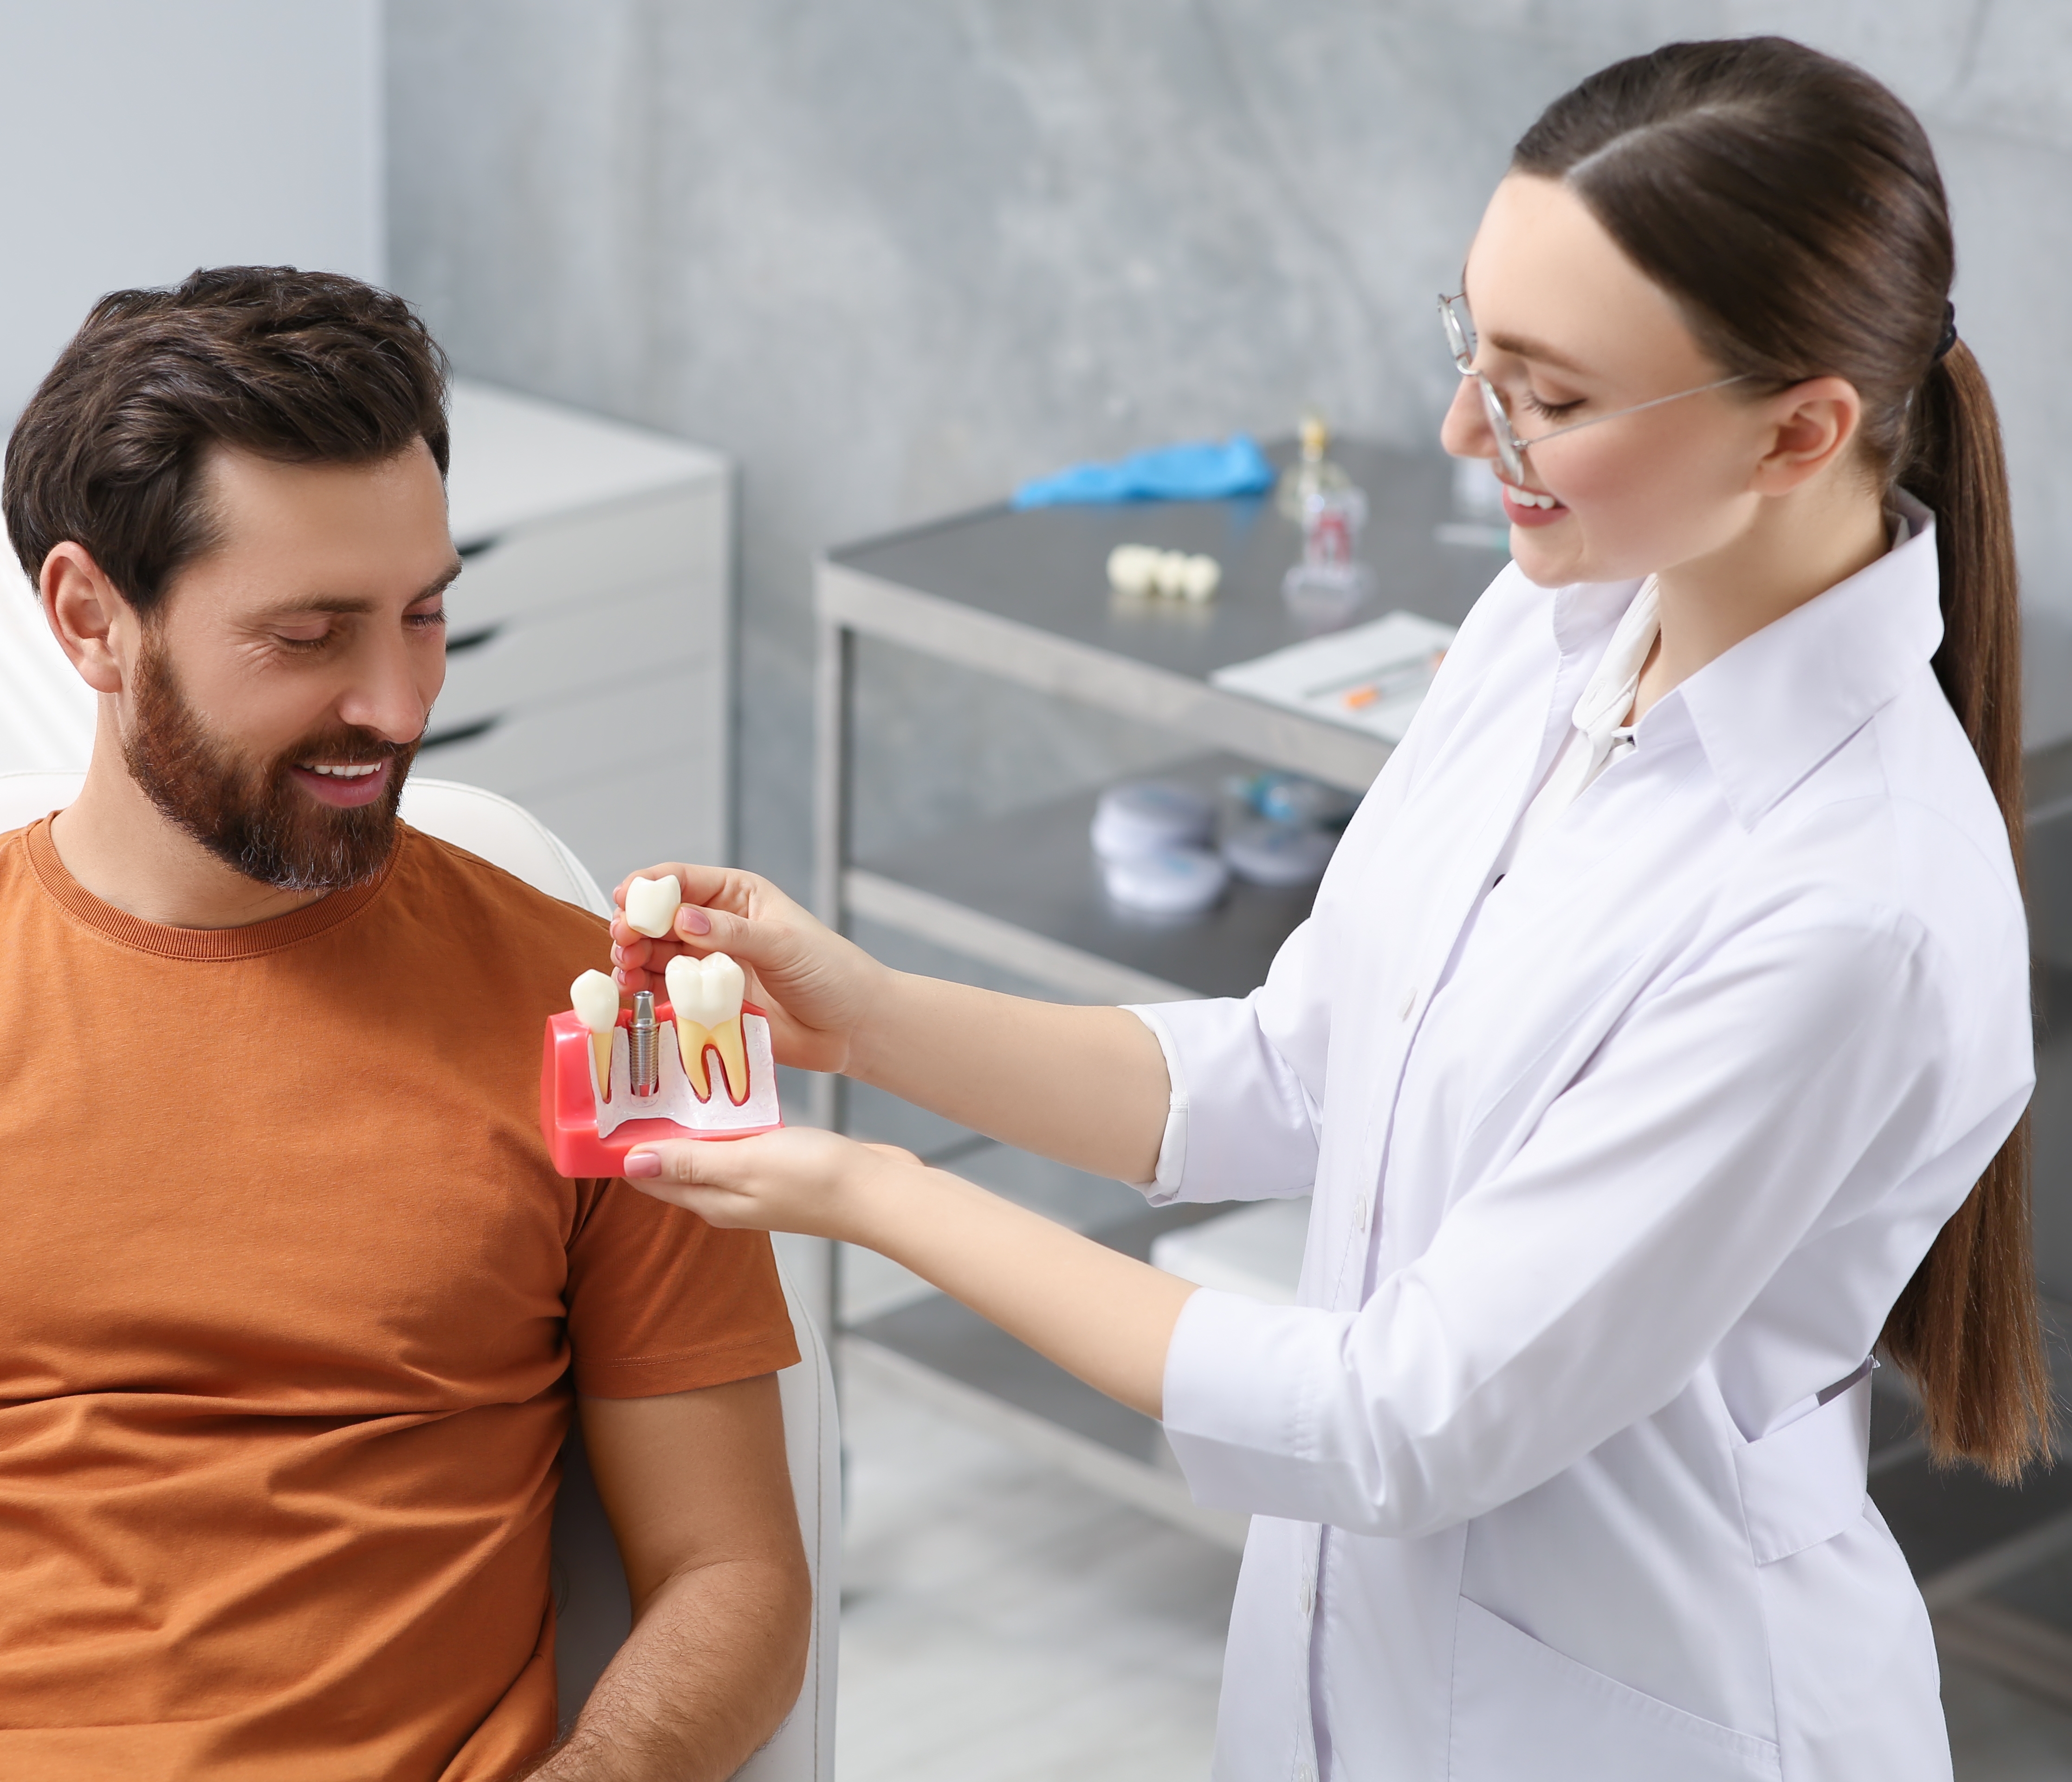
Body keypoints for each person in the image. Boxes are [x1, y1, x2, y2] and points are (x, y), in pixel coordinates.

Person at [610, 38, 2041, 1782]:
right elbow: (1301, 1070)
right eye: (1473, 352)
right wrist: (870, 1019)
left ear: (1802, 428)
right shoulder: (1555, 627)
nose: (1464, 435)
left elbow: (1400, 1420)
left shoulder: (1852, 907)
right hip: (1347, 1682)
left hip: (1644, 1717)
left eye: (1549, 396)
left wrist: (875, 1195)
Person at [0, 268, 809, 1782]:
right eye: (308, 638)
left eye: (426, 614)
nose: (394, 702)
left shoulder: (634, 1015)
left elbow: (743, 1578)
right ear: (91, 618)